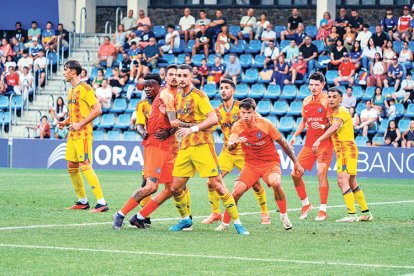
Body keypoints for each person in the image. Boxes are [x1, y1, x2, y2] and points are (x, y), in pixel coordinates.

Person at [167, 64, 249, 235]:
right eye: (178, 75)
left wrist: (192, 129)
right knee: (175, 188)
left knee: (217, 185)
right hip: (186, 146)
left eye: (184, 76)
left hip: (203, 144)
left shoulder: (199, 96)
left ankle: (238, 223)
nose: (180, 79)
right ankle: (185, 219)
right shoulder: (176, 97)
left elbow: (213, 119)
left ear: (191, 77)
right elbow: (177, 121)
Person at [215, 97, 304, 231]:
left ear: (254, 112)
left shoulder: (266, 124)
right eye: (243, 113)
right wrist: (235, 143)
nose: (246, 116)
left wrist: (296, 163)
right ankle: (225, 223)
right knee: (236, 191)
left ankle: (284, 216)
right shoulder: (237, 126)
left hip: (270, 163)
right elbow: (230, 145)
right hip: (251, 165)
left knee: (276, 182)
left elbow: (283, 144)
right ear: (239, 113)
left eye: (249, 112)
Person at [112, 73, 178, 229]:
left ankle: (140, 217)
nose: (147, 88)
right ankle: (120, 214)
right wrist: (143, 132)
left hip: (167, 147)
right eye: (145, 86)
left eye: (150, 85)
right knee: (150, 187)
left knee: (172, 188)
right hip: (154, 146)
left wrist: (169, 132)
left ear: (159, 86)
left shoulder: (164, 98)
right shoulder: (148, 103)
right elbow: (140, 124)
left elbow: (173, 122)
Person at [202, 80, 271, 225]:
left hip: (245, 154)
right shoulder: (218, 112)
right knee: (211, 182)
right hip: (227, 153)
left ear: (233, 91)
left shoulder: (243, 108)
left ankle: (265, 212)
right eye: (221, 88)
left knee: (256, 184)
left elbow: (260, 121)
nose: (223, 90)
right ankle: (215, 213)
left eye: (226, 88)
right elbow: (208, 128)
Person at [312, 87, 373, 222]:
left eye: (335, 97)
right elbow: (334, 126)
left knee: (342, 181)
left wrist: (319, 139)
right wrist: (322, 127)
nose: (331, 99)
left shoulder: (341, 111)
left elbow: (334, 127)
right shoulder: (335, 112)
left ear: (341, 99)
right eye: (330, 97)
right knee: (351, 182)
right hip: (344, 151)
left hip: (346, 151)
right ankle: (366, 212)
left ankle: (351, 215)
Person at [58, 60, 108, 212]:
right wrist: (65, 121)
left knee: (85, 165)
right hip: (72, 134)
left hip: (83, 134)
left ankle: (101, 202)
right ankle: (82, 201)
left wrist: (80, 124)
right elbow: (75, 113)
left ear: (73, 71)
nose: (64, 73)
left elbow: (97, 109)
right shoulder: (71, 90)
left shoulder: (85, 88)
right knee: (72, 166)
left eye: (66, 70)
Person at [290, 72, 333, 221]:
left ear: (323, 85)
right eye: (311, 84)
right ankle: (306, 204)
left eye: (317, 85)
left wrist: (322, 125)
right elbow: (304, 121)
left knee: (321, 172)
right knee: (295, 174)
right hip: (309, 144)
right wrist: (295, 135)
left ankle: (323, 209)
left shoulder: (328, 101)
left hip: (324, 144)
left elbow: (332, 123)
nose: (313, 88)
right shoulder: (306, 101)